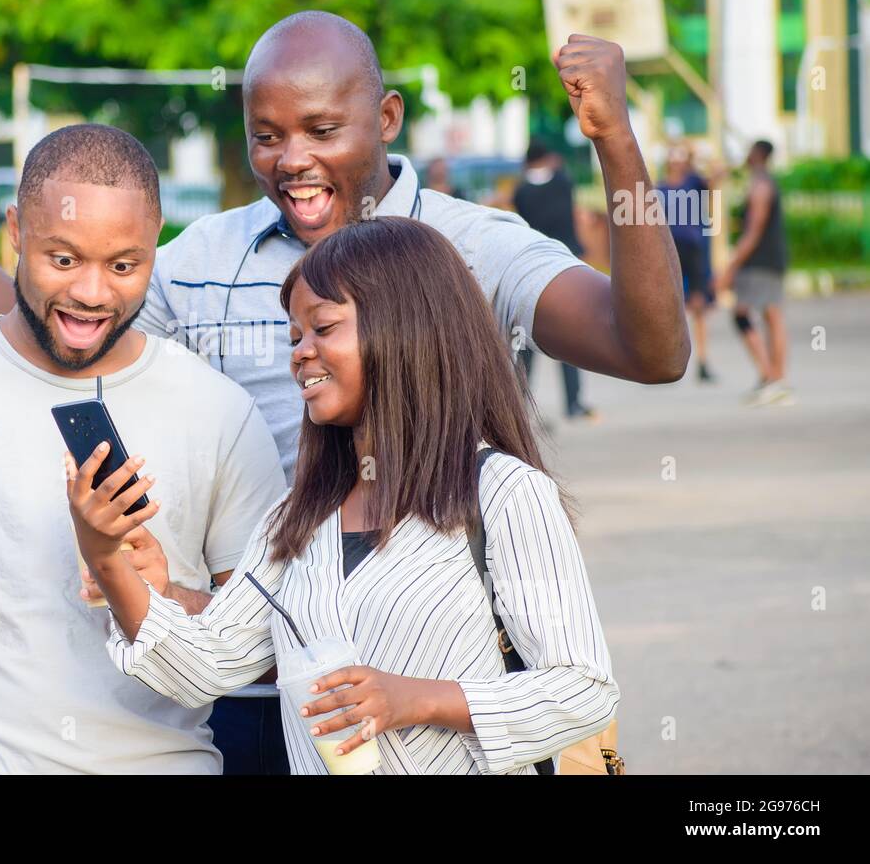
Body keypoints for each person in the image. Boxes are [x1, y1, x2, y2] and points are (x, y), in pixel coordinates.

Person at [0, 10, 683, 774]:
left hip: (438, 675)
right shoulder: (201, 261)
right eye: (267, 137)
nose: (291, 159)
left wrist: (614, 141)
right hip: (253, 675)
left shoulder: (471, 253)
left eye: (322, 131)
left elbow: (651, 348)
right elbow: (45, 349)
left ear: (388, 117)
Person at [68, 216, 619, 775]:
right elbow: (206, 664)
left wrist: (418, 699)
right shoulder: (298, 518)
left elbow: (584, 689)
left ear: (409, 329)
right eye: (295, 337)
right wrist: (107, 557)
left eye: (323, 328)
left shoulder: (504, 493)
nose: (300, 353)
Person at [0, 124, 286, 774]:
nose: (92, 294)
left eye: (124, 265)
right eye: (63, 260)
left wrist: (160, 593)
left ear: (157, 247)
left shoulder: (218, 410)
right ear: (16, 231)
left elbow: (272, 646)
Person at [512, 141, 596, 421]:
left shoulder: (522, 191)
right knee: (569, 339)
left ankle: (518, 407)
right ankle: (573, 403)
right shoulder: (563, 182)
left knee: (525, 344)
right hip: (565, 266)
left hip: (530, 267)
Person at [716, 140, 792, 406]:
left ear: (758, 154)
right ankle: (774, 380)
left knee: (744, 315)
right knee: (771, 315)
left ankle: (772, 378)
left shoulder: (760, 184)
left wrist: (731, 266)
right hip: (770, 259)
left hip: (760, 261)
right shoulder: (764, 181)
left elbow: (754, 230)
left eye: (750, 151)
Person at [655, 145, 716, 383]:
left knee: (699, 307)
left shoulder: (694, 181)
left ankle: (702, 360)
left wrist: (695, 155)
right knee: (669, 308)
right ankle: (666, 360)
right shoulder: (659, 188)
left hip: (695, 251)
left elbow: (715, 178)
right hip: (670, 253)